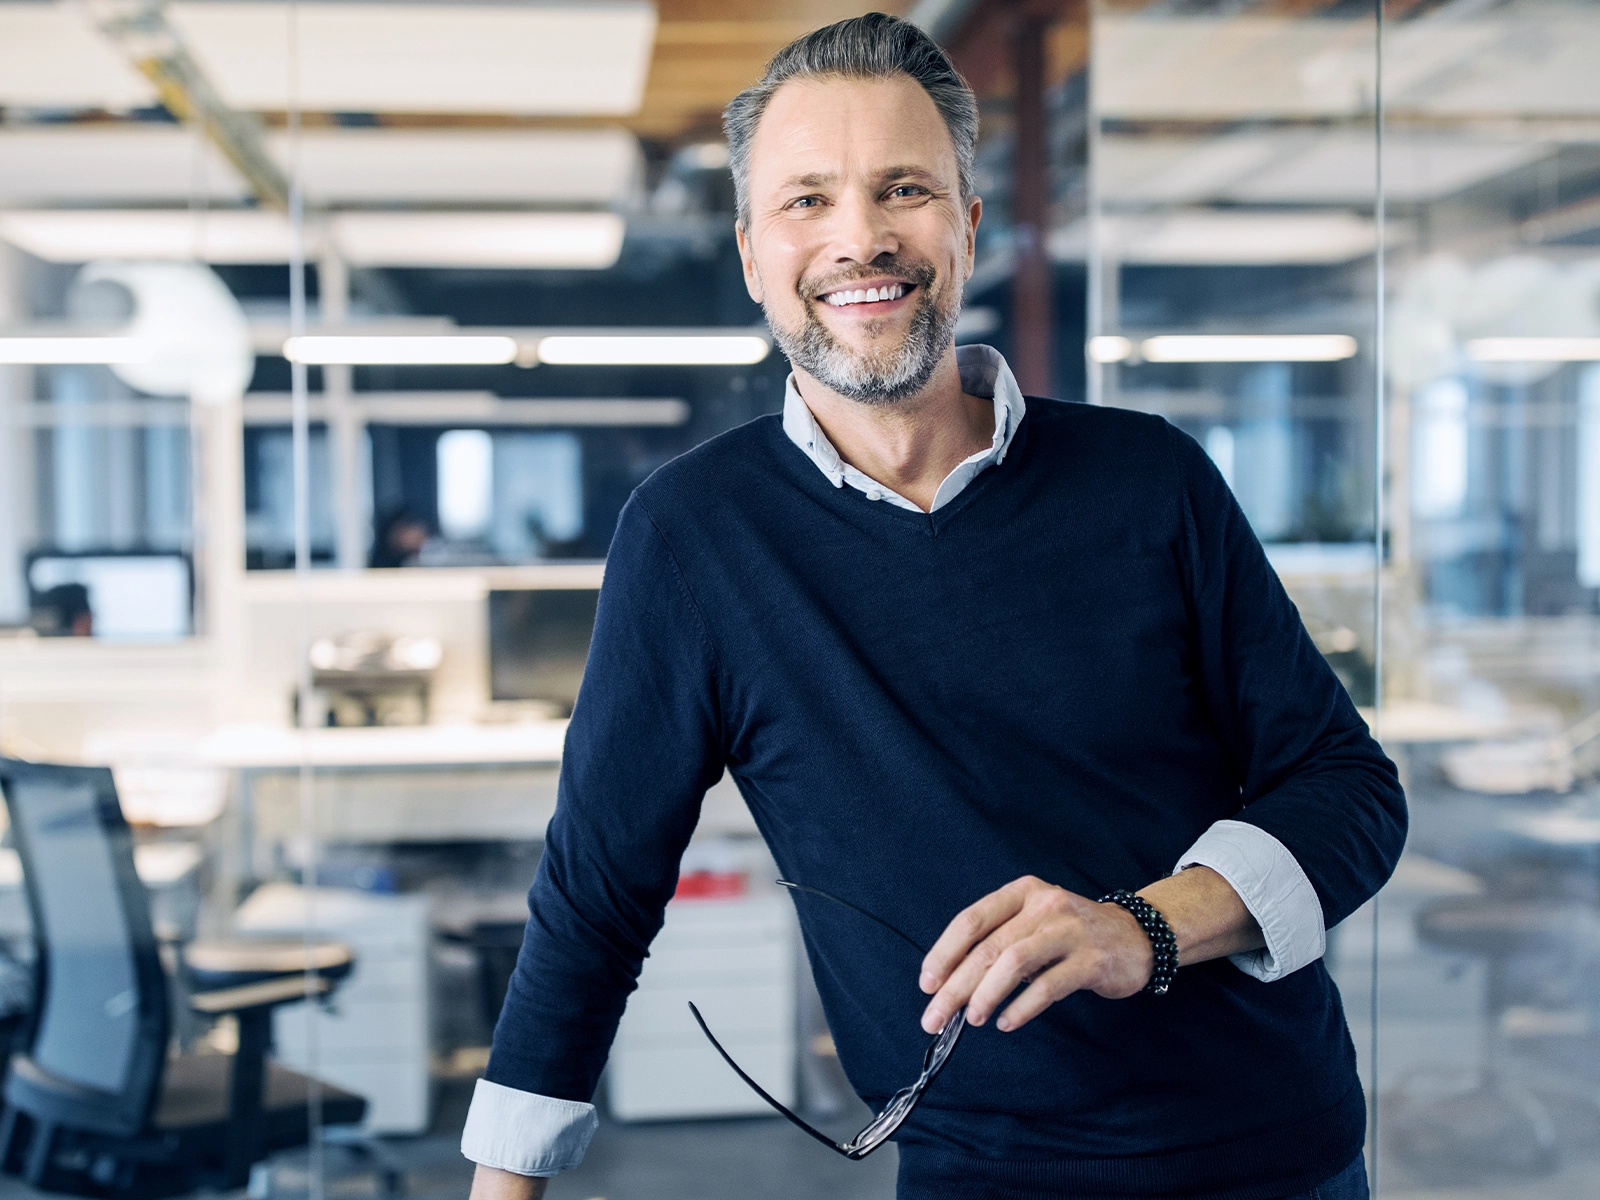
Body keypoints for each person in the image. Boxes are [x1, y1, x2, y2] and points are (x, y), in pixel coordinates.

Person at [463, 14, 1404, 1200]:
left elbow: (1348, 790)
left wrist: (1146, 926)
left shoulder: (1148, 479)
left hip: (1279, 1156)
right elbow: (597, 897)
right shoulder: (694, 538)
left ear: (964, 227)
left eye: (901, 188)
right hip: (979, 1174)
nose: (858, 238)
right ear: (752, 253)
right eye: (806, 200)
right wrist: (503, 1189)